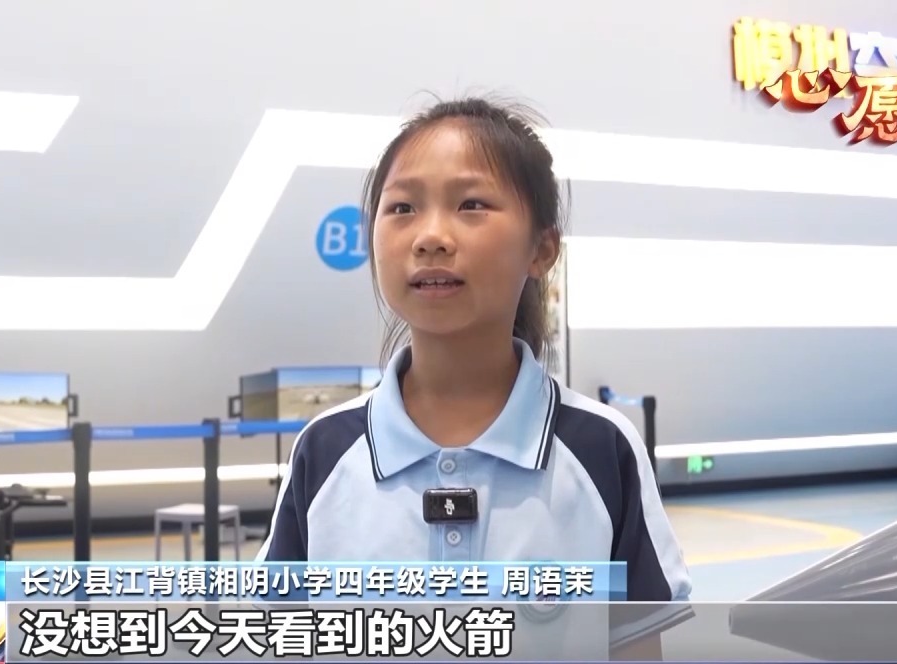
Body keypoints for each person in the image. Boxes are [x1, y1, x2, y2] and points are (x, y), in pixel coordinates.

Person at [258, 96, 692, 658]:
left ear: (542, 250)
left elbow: (637, 648)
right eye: (402, 208)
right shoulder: (324, 451)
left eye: (471, 204)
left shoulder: (602, 450)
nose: (430, 237)